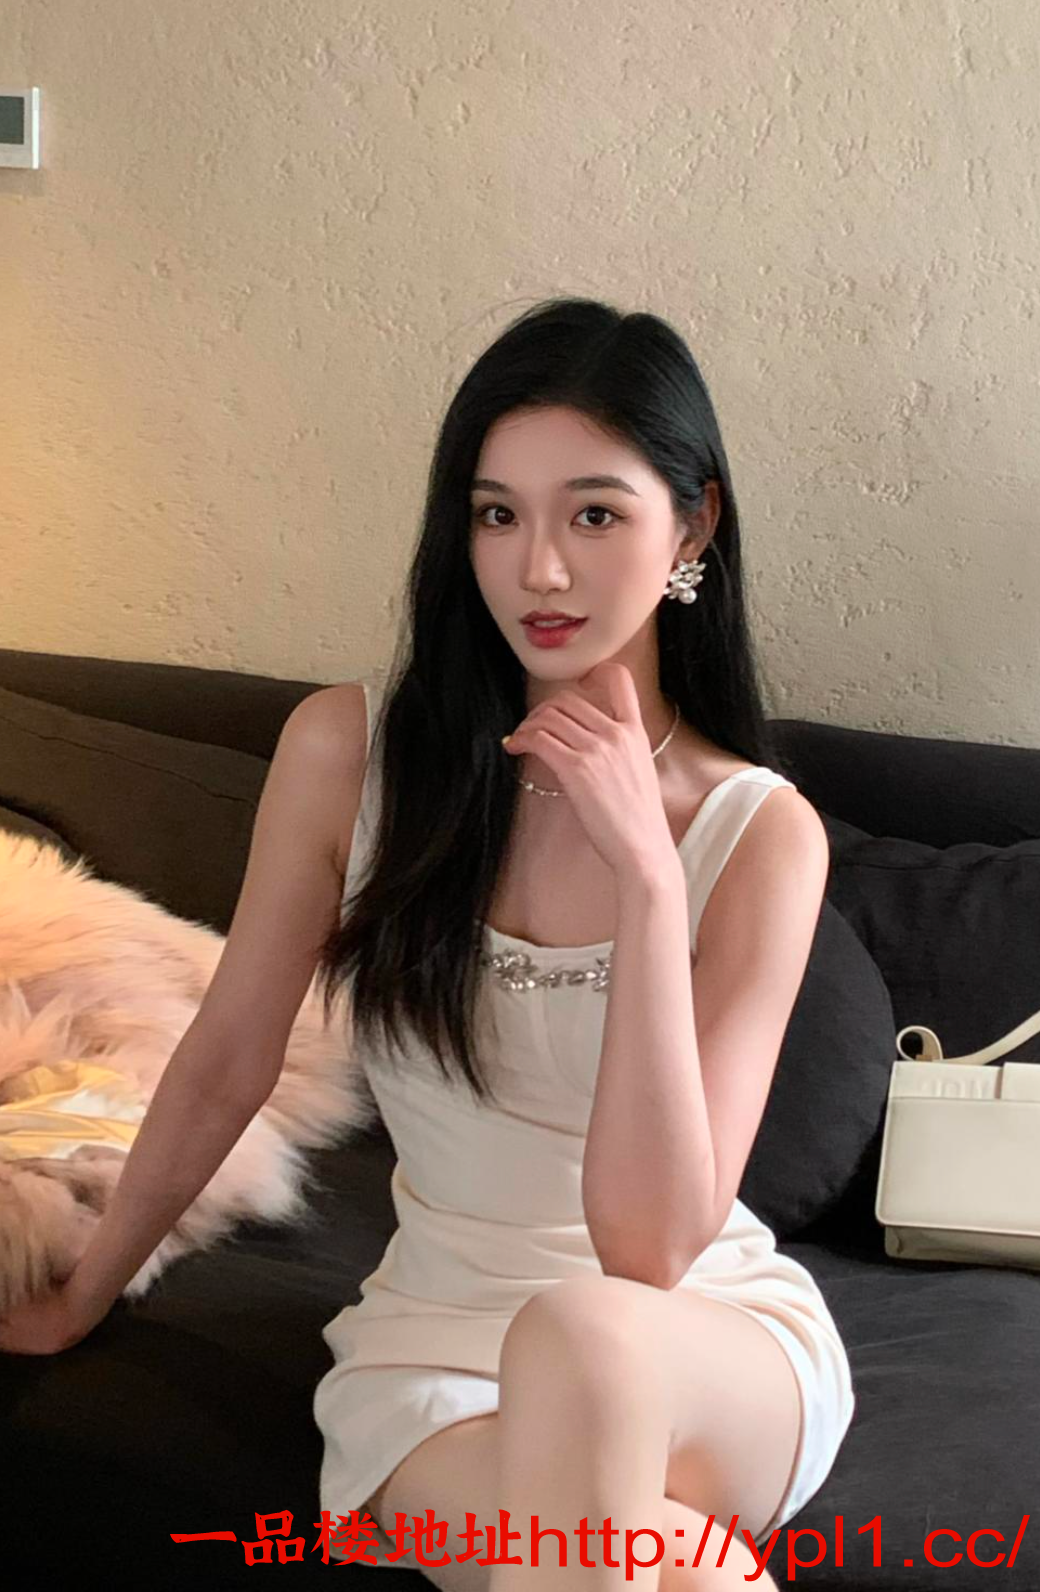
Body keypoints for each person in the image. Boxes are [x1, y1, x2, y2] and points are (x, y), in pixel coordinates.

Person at [0, 298, 855, 1590]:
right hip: (442, 1351)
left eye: (594, 514)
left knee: (588, 1337)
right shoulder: (348, 758)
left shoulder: (761, 836)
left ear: (694, 525)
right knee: (668, 1567)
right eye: (498, 514)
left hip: (698, 1344)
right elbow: (228, 1057)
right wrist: (82, 1290)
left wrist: (647, 883)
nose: (540, 569)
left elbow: (649, 1253)